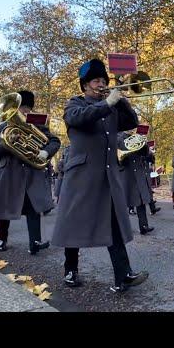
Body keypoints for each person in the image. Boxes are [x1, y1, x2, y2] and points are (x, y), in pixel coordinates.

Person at [51, 59, 148, 292]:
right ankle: (71, 270)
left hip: (107, 174)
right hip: (81, 174)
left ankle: (123, 275)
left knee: (113, 222)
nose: (101, 84)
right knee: (74, 223)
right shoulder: (75, 103)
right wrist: (108, 102)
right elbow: (78, 119)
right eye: (96, 81)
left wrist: (121, 101)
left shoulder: (111, 105)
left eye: (104, 81)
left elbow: (131, 122)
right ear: (85, 85)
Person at [0, 90, 60, 254]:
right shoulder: (4, 125)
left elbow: (54, 141)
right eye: (22, 108)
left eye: (28, 108)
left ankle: (35, 242)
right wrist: (7, 143)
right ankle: (1, 239)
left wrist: (46, 152)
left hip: (31, 172)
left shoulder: (37, 124)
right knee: (4, 209)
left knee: (33, 209)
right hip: (9, 172)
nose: (25, 112)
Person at [118, 130, 156, 235]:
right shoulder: (118, 137)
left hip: (138, 172)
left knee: (140, 200)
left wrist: (144, 144)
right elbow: (116, 155)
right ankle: (120, 228)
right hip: (126, 172)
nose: (132, 128)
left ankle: (144, 226)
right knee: (123, 202)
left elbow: (145, 154)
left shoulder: (137, 137)